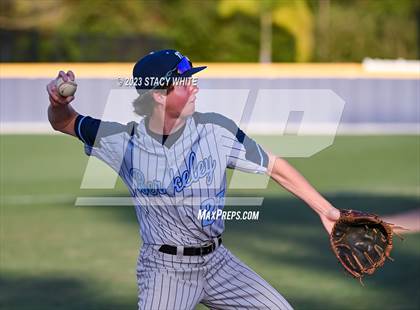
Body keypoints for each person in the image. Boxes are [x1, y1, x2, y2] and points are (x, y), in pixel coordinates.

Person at [47, 49, 340, 310]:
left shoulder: (217, 129)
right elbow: (64, 122)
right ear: (158, 95)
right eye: (185, 82)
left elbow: (274, 166)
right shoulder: (122, 141)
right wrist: (59, 102)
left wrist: (325, 210)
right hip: (166, 272)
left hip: (218, 262)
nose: (195, 88)